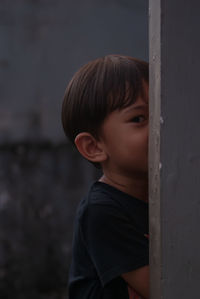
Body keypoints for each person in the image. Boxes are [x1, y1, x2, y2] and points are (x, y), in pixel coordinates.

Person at [62, 55, 149, 299]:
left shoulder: (162, 194)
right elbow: (169, 286)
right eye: (139, 119)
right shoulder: (101, 211)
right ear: (93, 147)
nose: (159, 127)